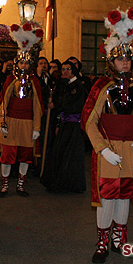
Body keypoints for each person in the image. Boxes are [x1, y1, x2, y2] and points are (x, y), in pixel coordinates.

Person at [81, 7, 133, 263]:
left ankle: (120, 237)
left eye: (128, 58)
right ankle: (103, 241)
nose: (125, 62)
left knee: (125, 194)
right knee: (106, 195)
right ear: (111, 61)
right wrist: (102, 148)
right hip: (109, 149)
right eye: (120, 59)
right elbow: (89, 120)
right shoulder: (100, 86)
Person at [0, 23, 44, 197]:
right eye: (21, 62)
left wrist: (37, 127)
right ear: (17, 63)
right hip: (11, 122)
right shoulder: (10, 80)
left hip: (28, 124)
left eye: (26, 63)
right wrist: (2, 122)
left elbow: (37, 106)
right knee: (7, 156)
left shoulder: (34, 82)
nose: (24, 65)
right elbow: (3, 103)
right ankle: (5, 185)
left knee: (25, 156)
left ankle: (21, 185)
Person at [41, 60, 86, 193]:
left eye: (68, 69)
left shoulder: (79, 86)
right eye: (63, 69)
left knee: (70, 155)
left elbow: (74, 105)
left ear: (73, 71)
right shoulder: (64, 85)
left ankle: (69, 184)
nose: (65, 71)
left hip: (74, 126)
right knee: (60, 153)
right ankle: (58, 182)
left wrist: (58, 104)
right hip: (65, 124)